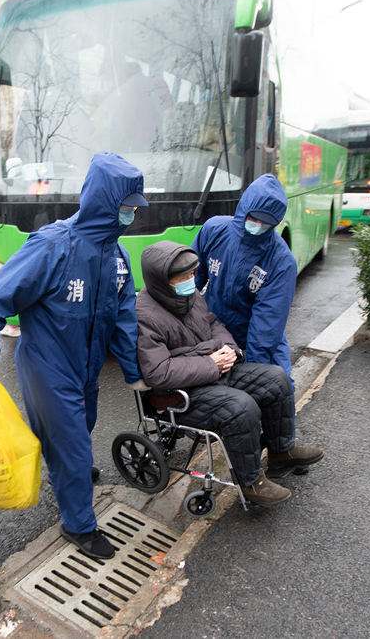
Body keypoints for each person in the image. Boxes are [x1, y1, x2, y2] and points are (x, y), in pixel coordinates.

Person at [0, 152, 150, 560]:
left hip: (86, 369)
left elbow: (123, 318)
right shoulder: (52, 247)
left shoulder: (115, 256)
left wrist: (134, 371)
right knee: (71, 444)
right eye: (126, 207)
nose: (131, 215)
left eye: (135, 208)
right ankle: (79, 526)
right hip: (47, 367)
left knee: (82, 427)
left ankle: (73, 475)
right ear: (105, 202)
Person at [136, 240, 324, 505]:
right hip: (180, 395)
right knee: (240, 407)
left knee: (275, 379)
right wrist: (211, 363)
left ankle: (282, 452)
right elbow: (158, 372)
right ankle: (250, 483)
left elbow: (214, 324)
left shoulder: (189, 296)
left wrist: (229, 350)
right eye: (183, 277)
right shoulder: (144, 314)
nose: (191, 280)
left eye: (193, 274)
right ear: (162, 280)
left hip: (213, 371)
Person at [191, 173, 296, 382]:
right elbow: (191, 278)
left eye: (265, 223)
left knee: (276, 388)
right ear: (243, 209)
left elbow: (265, 329)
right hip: (215, 330)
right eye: (253, 218)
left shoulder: (281, 262)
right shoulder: (214, 231)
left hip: (256, 339)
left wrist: (251, 374)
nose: (257, 226)